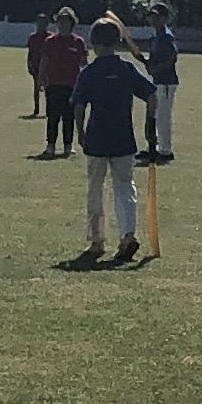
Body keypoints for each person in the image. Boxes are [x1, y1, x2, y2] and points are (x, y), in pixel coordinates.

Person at [70, 14, 155, 263]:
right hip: (123, 138)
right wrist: (149, 124)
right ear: (118, 43)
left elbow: (79, 105)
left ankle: (97, 239)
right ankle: (127, 235)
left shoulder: (89, 72)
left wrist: (80, 132)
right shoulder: (126, 69)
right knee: (125, 187)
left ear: (93, 43)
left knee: (95, 189)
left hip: (97, 137)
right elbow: (151, 95)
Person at [36, 7, 87, 158]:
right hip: (53, 84)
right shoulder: (50, 41)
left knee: (69, 117)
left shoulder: (78, 42)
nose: (62, 24)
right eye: (60, 20)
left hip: (72, 85)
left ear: (71, 22)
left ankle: (68, 146)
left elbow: (84, 63)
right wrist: (41, 79)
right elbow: (44, 61)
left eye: (66, 20)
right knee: (52, 117)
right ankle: (50, 146)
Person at [140, 2, 180, 164]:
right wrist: (147, 62)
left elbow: (172, 58)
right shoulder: (155, 36)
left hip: (166, 82)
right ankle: (154, 146)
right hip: (158, 81)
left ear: (165, 18)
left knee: (163, 116)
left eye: (158, 17)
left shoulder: (166, 36)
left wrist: (155, 68)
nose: (154, 20)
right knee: (155, 114)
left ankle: (165, 150)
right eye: (152, 16)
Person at [25, 12, 51, 117]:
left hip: (48, 67)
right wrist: (29, 64)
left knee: (48, 89)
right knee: (36, 88)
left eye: (43, 23)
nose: (41, 25)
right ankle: (36, 109)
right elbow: (30, 52)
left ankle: (49, 109)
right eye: (39, 22)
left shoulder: (50, 37)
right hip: (36, 66)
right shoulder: (32, 37)